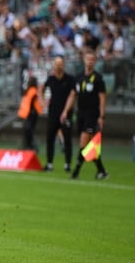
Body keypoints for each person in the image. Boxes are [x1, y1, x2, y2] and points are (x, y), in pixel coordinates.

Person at [64, 49, 108, 180]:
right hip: (81, 114)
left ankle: (76, 171)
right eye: (88, 59)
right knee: (88, 145)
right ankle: (102, 171)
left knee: (84, 143)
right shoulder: (78, 77)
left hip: (92, 114)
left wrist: (101, 116)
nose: (90, 61)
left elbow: (102, 98)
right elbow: (73, 95)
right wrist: (65, 111)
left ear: (95, 62)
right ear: (84, 60)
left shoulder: (98, 78)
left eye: (92, 59)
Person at [43, 56, 75, 171]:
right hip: (53, 113)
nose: (58, 66)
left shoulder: (70, 79)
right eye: (56, 64)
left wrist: (66, 111)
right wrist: (42, 102)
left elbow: (73, 94)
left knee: (67, 139)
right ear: (53, 65)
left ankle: (67, 164)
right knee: (50, 138)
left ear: (64, 65)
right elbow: (41, 88)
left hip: (66, 114)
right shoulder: (50, 79)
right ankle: (49, 163)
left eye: (60, 64)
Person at [17, 75, 43, 150]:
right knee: (28, 129)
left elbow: (31, 103)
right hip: (29, 113)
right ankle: (28, 145)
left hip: (32, 113)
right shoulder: (31, 91)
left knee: (29, 129)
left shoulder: (32, 91)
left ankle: (30, 145)